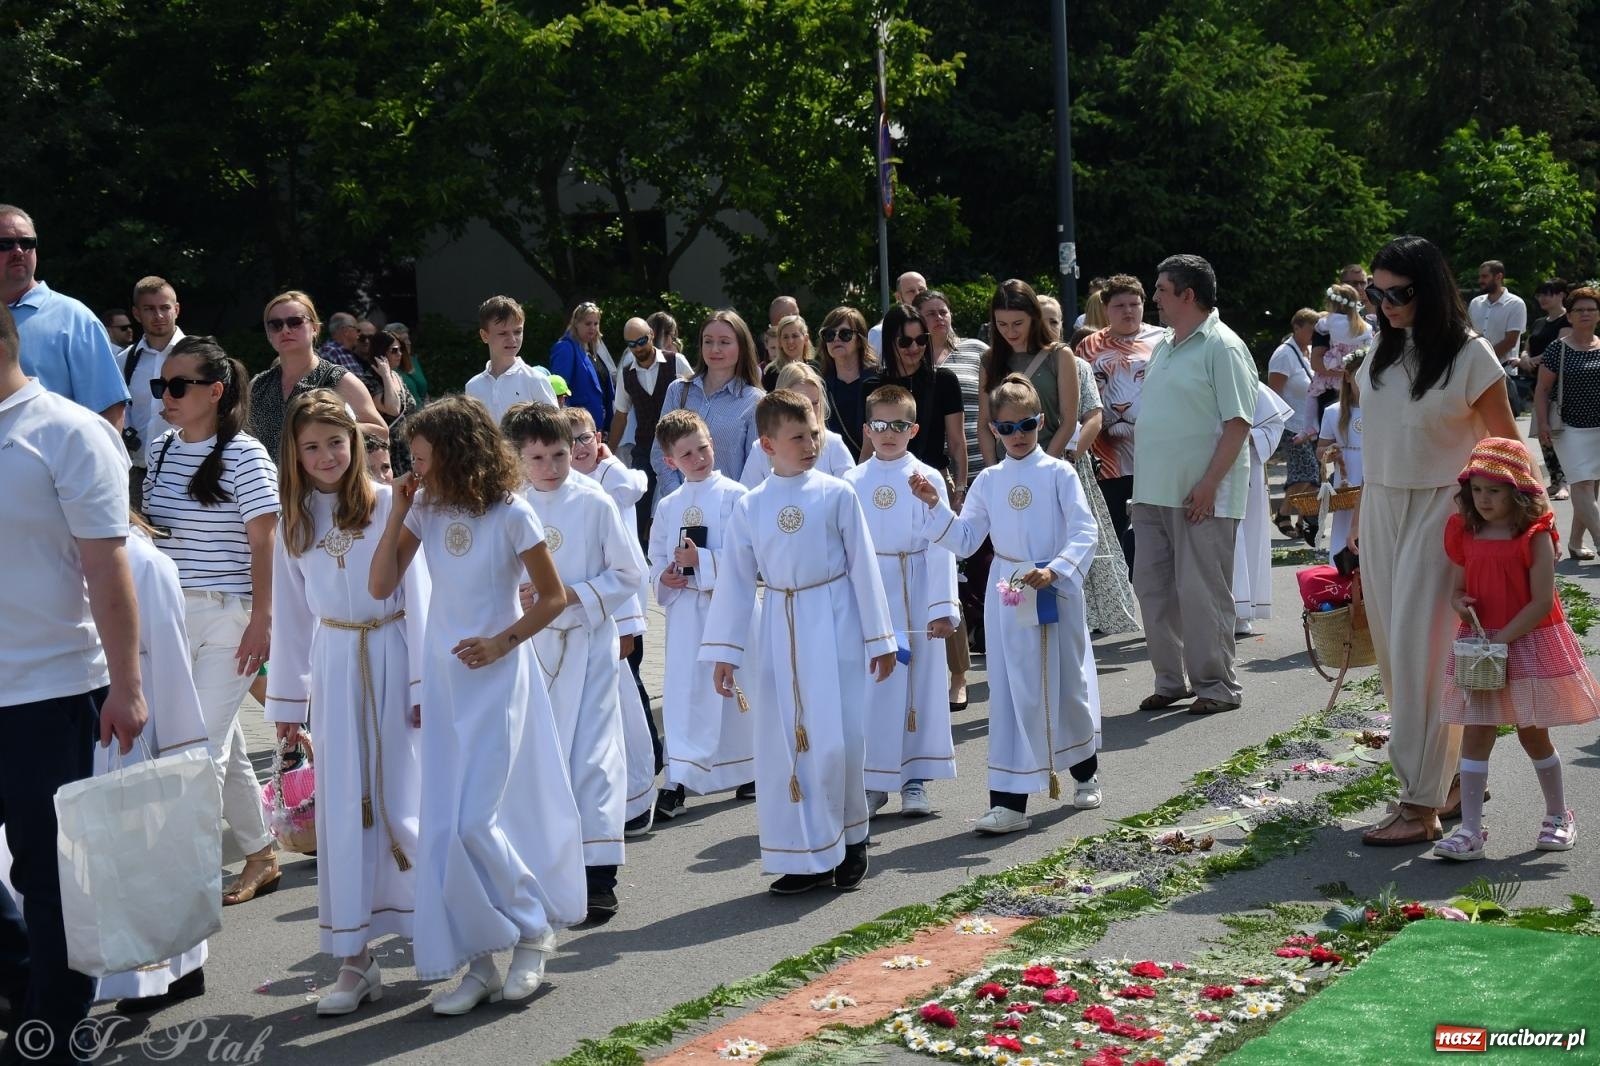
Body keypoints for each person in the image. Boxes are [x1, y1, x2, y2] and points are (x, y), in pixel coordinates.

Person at [368, 396, 584, 1014]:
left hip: (496, 678)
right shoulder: (425, 511)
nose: (412, 467)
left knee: (474, 821)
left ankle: (532, 927)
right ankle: (480, 960)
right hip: (443, 683)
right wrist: (399, 513)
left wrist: (500, 643)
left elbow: (552, 597)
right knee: (443, 827)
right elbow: (381, 586)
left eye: (419, 457)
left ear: (456, 453)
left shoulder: (511, 513)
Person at [0, 300, 146, 1063]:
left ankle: (53, 1031)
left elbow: (107, 569)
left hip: (49, 694)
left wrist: (127, 684)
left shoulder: (66, 431)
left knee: (46, 874)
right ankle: (22, 983)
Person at [1352, 235, 1520, 846]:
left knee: (1422, 657)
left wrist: (1494, 527)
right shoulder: (1382, 346)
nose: (1385, 302)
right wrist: (1355, 516)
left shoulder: (1472, 356)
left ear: (1429, 288)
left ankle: (1419, 805)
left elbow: (1506, 448)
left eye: (1398, 293)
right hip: (1382, 506)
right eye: (1377, 291)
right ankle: (1445, 783)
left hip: (1442, 510)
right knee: (1397, 663)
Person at [701, 390, 897, 894]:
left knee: (838, 738)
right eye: (797, 437)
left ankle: (851, 842)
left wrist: (880, 638)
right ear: (767, 443)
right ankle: (802, 855)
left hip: (835, 622)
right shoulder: (751, 505)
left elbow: (863, 566)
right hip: (780, 624)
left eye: (813, 433)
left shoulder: (837, 493)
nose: (810, 444)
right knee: (784, 743)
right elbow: (738, 581)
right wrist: (725, 652)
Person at [266, 391, 422, 1017]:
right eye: (312, 446)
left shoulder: (387, 504)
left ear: (357, 445)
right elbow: (292, 618)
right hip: (334, 664)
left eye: (337, 442)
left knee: (402, 795)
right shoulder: (293, 520)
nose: (327, 455)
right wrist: (286, 701)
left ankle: (431, 932)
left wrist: (418, 686)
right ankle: (356, 960)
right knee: (343, 808)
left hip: (390, 652)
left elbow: (418, 593)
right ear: (295, 454)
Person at [910, 373, 1102, 832]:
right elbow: (966, 538)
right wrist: (936, 505)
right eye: (1007, 427)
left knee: (1064, 681)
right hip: (1009, 588)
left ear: (1041, 422)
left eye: (1027, 425)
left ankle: (1084, 770)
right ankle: (1009, 802)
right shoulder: (989, 481)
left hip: (1052, 586)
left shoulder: (1059, 473)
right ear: (992, 429)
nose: (1018, 436)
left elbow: (1084, 530)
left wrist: (1056, 569)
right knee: (1012, 689)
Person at [141, 336, 283, 905]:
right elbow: (155, 532)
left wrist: (263, 620)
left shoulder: (246, 453)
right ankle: (261, 852)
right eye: (161, 386)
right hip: (171, 615)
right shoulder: (163, 448)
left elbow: (265, 542)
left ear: (215, 391)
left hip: (230, 616)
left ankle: (183, 881)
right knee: (216, 745)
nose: (167, 397)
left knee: (195, 749)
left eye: (178, 386)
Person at [504, 404, 642, 922]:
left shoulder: (594, 501)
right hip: (533, 648)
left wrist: (574, 595)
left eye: (560, 454)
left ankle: (598, 875)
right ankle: (547, 869)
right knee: (542, 758)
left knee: (593, 757)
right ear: (518, 459)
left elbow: (630, 572)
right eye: (537, 457)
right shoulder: (512, 504)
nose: (551, 467)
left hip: (587, 643)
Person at [1433, 438, 1599, 860]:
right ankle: (1470, 830)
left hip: (1525, 640)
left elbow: (1542, 601)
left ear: (1517, 490)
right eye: (1477, 490)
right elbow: (1457, 590)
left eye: (1495, 490)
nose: (1484, 500)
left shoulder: (1534, 534)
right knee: (1477, 732)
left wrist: (1501, 639)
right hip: (1480, 644)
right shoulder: (1463, 530)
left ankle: (1559, 815)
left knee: (1532, 732)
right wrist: (1460, 604)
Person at [1131, 255, 1258, 716]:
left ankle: (1217, 686)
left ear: (1188, 294)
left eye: (1162, 289)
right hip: (1152, 492)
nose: (1155, 297)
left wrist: (1208, 484)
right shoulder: (1166, 343)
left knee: (1203, 592)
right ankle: (1171, 681)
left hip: (1202, 496)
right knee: (1153, 589)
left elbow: (1239, 422)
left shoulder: (1222, 346)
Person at [94, 514, 210, 1015]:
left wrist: (182, 746)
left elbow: (172, 657)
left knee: (142, 852)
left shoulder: (144, 562)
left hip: (142, 722)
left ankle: (165, 973)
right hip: (90, 719)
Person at [844, 385, 959, 818]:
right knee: (873, 689)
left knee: (919, 688)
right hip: (869, 592)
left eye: (897, 425)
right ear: (866, 429)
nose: (888, 433)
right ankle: (874, 782)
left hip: (916, 590)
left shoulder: (927, 478)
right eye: (879, 425)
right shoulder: (851, 482)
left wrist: (943, 608)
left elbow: (942, 544)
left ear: (912, 429)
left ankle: (914, 780)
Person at [559, 403, 661, 836]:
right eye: (566, 443)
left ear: (597, 440)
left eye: (584, 438)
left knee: (624, 701)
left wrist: (624, 624)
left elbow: (620, 566)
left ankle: (636, 795)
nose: (577, 449)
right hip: (562, 626)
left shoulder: (604, 487)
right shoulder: (546, 494)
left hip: (609, 614)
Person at [649, 410, 755, 819]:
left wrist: (705, 561)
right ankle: (677, 779)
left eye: (703, 448)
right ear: (671, 461)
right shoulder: (670, 505)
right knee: (684, 693)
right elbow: (655, 555)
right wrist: (666, 576)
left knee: (737, 690)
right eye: (687, 454)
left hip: (728, 610)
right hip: (686, 615)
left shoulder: (735, 496)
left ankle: (748, 767)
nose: (698, 458)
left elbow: (749, 555)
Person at [916, 288, 989, 696]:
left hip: (972, 470)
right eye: (930, 314)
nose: (939, 319)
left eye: (943, 311)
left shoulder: (974, 350)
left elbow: (961, 432)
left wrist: (959, 484)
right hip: (910, 483)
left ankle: (962, 670)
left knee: (960, 573)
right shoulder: (913, 364)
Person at [1, 205, 128, 426]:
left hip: (48, 459)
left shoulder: (75, 319)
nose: (18, 251)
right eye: (5, 244)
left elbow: (108, 413)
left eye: (27, 243)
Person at [1075, 275, 1164, 567]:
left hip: (1156, 455)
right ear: (1106, 308)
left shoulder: (1165, 340)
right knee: (1112, 530)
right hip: (1107, 457)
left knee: (1155, 532)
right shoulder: (1088, 347)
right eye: (1119, 305)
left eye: (1134, 304)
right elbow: (1079, 400)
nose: (1128, 311)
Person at [249, 291, 386, 460]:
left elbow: (382, 434)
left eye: (295, 322)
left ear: (315, 328)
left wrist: (336, 428)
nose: (285, 330)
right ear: (269, 335)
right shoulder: (258, 384)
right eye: (276, 325)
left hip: (322, 484)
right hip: (269, 485)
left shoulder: (339, 379)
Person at [653, 310, 765, 495]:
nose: (715, 349)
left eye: (724, 342)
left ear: (742, 347)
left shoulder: (755, 401)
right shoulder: (678, 390)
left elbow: (755, 466)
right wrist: (680, 497)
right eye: (708, 341)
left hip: (728, 511)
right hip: (678, 507)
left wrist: (735, 507)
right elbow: (659, 452)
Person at [976, 280, 1078, 469]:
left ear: (1034, 317)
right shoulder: (989, 360)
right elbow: (984, 424)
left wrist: (1044, 466)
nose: (1010, 331)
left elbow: (1069, 421)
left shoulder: (1060, 355)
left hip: (1048, 464)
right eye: (1002, 324)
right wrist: (993, 471)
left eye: (1018, 323)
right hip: (1005, 466)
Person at [611, 316, 693, 539]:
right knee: (640, 504)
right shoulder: (626, 373)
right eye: (631, 344)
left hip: (679, 445)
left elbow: (696, 399)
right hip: (645, 446)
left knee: (681, 497)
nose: (638, 348)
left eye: (641, 341)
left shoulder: (677, 361)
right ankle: (642, 555)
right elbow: (621, 415)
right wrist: (607, 452)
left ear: (652, 336)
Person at [1534, 286, 1600, 561]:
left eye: (1591, 309)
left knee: (1591, 490)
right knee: (1583, 487)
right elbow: (1541, 390)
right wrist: (1542, 426)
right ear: (1570, 316)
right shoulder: (1557, 349)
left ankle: (1575, 542)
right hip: (1568, 428)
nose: (1585, 314)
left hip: (1598, 428)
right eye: (1579, 310)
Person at [117, 276, 185, 509]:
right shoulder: (125, 360)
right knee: (136, 542)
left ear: (176, 309)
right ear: (136, 314)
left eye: (165, 308)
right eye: (149, 309)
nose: (158, 316)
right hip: (138, 471)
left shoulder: (198, 355)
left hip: (188, 470)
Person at [1232, 383, 1294, 637]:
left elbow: (1273, 424)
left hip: (1245, 467)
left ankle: (1241, 611)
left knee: (1246, 536)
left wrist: (1242, 436)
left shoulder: (1244, 379)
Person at [740, 361, 854, 485]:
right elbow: (747, 497)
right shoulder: (760, 449)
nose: (809, 410)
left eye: (815, 403)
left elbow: (852, 492)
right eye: (800, 404)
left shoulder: (833, 444)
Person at [1268, 309, 1322, 544]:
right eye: (1311, 331)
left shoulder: (1308, 351)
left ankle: (1302, 520)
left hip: (1309, 425)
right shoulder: (1284, 354)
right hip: (1291, 425)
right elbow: (1274, 393)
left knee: (1310, 476)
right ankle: (1282, 513)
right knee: (1308, 472)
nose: (1314, 336)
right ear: (1297, 327)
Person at [467, 295, 558, 422]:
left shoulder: (535, 380)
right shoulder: (473, 386)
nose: (512, 339)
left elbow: (556, 432)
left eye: (517, 331)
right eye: (502, 333)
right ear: (484, 335)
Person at [1520, 279, 1570, 498]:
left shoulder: (1567, 320)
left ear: (1561, 295)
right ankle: (1554, 479)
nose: (1542, 298)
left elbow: (1560, 348)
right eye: (1539, 294)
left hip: (1560, 387)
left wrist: (1534, 360)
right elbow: (1527, 346)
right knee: (1543, 433)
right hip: (1537, 383)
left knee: (1559, 433)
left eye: (1547, 293)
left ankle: (1565, 482)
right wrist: (1524, 358)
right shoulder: (1539, 321)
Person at [1316, 356, 1365, 561]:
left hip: (1372, 476)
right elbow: (1320, 451)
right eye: (1359, 376)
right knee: (1344, 528)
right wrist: (1330, 452)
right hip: (1346, 481)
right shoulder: (1332, 412)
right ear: (1347, 377)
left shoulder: (1381, 410)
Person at [816, 306, 880, 460]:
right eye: (829, 334)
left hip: (874, 467)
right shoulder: (820, 386)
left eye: (845, 334)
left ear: (859, 340)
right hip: (834, 469)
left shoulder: (878, 381)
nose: (836, 339)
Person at [1307, 285, 1375, 422]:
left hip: (1330, 388)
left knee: (1312, 398)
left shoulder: (1327, 324)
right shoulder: (1366, 326)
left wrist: (1342, 374)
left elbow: (1316, 363)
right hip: (1358, 385)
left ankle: (1308, 428)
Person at [1468, 260, 1528, 411]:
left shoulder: (1516, 304)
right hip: (1475, 372)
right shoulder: (1475, 303)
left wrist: (1485, 360)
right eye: (1480, 277)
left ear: (1498, 276)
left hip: (1502, 373)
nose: (1480, 281)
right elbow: (1469, 334)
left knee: (1502, 421)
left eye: (1485, 276)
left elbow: (1510, 341)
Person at [549, 301, 615, 434]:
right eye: (587, 323)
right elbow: (559, 391)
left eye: (596, 323)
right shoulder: (565, 347)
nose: (593, 328)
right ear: (576, 324)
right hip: (579, 428)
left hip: (599, 428)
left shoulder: (593, 349)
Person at [359, 328, 417, 473]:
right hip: (388, 451)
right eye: (394, 350)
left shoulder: (396, 376)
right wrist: (385, 376)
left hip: (407, 448)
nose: (400, 354)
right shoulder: (368, 381)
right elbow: (393, 408)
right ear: (381, 353)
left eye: (401, 349)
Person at [868, 271, 928, 355]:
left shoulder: (939, 325)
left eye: (922, 290)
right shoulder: (880, 333)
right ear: (898, 297)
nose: (918, 294)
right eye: (911, 291)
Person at [761, 313, 814, 392]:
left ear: (805, 338)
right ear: (780, 342)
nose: (790, 341)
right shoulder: (772, 373)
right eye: (785, 337)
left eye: (795, 336)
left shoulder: (815, 368)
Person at [387, 324, 429, 406]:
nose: (408, 343)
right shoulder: (389, 366)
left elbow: (423, 391)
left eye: (408, 338)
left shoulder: (413, 360)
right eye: (404, 340)